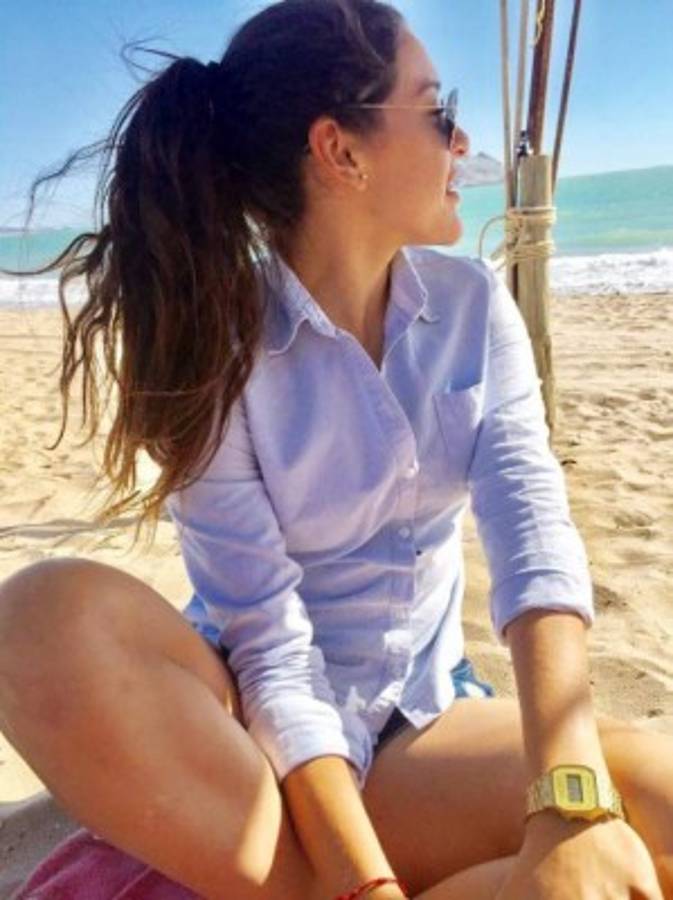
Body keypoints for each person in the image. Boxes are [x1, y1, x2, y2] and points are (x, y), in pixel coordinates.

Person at [0, 1, 671, 898]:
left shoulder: (470, 307)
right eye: (435, 109)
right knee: (39, 617)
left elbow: (533, 535)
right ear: (340, 151)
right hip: (255, 747)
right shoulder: (218, 350)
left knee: (649, 802)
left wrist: (567, 798)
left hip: (419, 717)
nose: (461, 139)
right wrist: (366, 886)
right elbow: (269, 646)